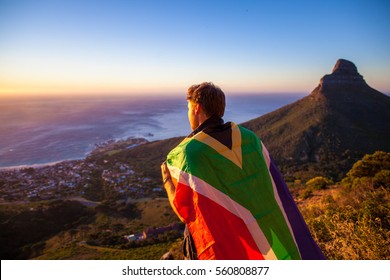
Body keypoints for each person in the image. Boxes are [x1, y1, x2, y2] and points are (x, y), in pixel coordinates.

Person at [161, 82, 325, 260]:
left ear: (197, 108)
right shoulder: (250, 138)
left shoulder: (186, 153)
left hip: (223, 245)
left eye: (188, 108)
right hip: (267, 235)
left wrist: (166, 181)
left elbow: (185, 213)